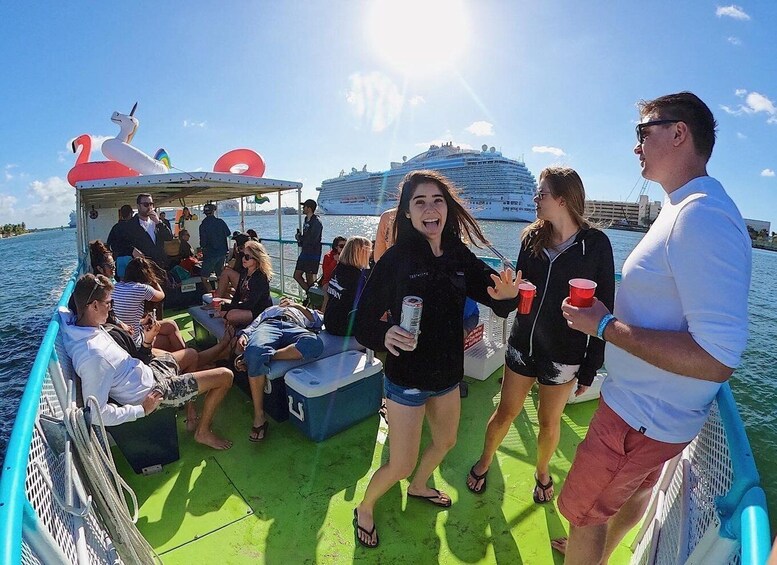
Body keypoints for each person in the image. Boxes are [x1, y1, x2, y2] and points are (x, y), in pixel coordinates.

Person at [553, 92, 751, 564]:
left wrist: (603, 325)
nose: (635, 146)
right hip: (657, 417)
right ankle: (598, 556)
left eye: (643, 133)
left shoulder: (700, 215)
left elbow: (718, 357)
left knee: (584, 514)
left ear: (678, 132)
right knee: (632, 495)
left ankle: (588, 552)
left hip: (638, 417)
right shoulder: (687, 207)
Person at [352, 170, 520, 548]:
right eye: (420, 202)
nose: (430, 209)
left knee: (446, 442)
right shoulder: (396, 259)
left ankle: (420, 486)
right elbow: (362, 322)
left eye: (437, 200)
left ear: (447, 208)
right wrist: (384, 334)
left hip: (446, 375)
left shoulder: (459, 254)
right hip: (406, 378)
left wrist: (509, 294)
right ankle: (365, 506)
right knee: (399, 463)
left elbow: (497, 296)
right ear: (408, 214)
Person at [466, 167, 615, 505]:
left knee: (549, 424)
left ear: (562, 198)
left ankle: (542, 471)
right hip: (522, 346)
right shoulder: (531, 238)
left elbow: (605, 307)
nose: (536, 198)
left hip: (564, 355)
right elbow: (519, 297)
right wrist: (504, 300)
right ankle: (485, 460)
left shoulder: (595, 246)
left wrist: (591, 367)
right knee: (505, 412)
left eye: (542, 193)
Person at [59, 274, 234, 449]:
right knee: (225, 376)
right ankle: (202, 432)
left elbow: (64, 313)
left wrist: (148, 339)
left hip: (149, 372)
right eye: (108, 303)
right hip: (155, 391)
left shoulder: (81, 327)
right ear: (94, 305)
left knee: (190, 354)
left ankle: (190, 410)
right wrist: (142, 410)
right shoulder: (94, 355)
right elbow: (97, 413)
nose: (111, 308)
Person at [234, 298, 324, 441]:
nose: (286, 300)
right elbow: (254, 325)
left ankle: (260, 356)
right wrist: (244, 335)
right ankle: (259, 416)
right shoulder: (270, 310)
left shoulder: (303, 311)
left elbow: (318, 320)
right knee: (255, 349)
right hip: (269, 325)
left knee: (315, 344)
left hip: (294, 327)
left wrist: (296, 306)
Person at [113, 257, 187, 352]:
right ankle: (188, 356)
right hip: (135, 342)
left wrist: (141, 321)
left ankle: (185, 354)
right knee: (170, 337)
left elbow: (123, 317)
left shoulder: (115, 287)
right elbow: (161, 295)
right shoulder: (142, 288)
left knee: (170, 325)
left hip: (124, 337)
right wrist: (153, 281)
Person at [216, 240, 273, 328]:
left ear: (256, 259)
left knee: (231, 315)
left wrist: (227, 307)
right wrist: (227, 306)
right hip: (248, 308)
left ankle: (235, 322)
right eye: (243, 255)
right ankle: (235, 322)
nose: (243, 259)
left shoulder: (260, 277)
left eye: (247, 257)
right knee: (222, 307)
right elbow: (238, 294)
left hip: (259, 311)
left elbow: (250, 304)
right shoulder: (245, 272)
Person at [323, 236, 371, 336]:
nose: (370, 254)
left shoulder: (339, 268)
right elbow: (366, 304)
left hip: (329, 320)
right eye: (369, 251)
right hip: (342, 327)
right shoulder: (356, 276)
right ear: (361, 253)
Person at [128, 194, 173, 269]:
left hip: (160, 265)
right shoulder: (131, 225)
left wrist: (159, 223)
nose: (149, 207)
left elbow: (169, 237)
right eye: (146, 204)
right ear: (138, 206)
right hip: (143, 267)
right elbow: (119, 243)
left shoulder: (156, 223)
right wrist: (131, 250)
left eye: (151, 204)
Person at [199, 203, 232, 294]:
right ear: (213, 211)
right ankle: (223, 295)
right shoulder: (220, 222)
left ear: (205, 213)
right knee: (220, 276)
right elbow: (228, 233)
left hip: (210, 254)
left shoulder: (203, 225)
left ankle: (212, 296)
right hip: (222, 253)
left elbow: (203, 242)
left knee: (204, 278)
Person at [293, 199, 323, 293]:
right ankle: (310, 295)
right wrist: (299, 237)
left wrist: (301, 239)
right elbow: (306, 238)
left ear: (309, 208)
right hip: (305, 252)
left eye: (304, 206)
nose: (303, 208)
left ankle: (313, 299)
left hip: (312, 254)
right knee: (296, 275)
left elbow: (313, 239)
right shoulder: (306, 219)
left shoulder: (317, 222)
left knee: (310, 278)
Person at [106, 204, 135, 279]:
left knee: (122, 280)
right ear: (131, 213)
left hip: (119, 258)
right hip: (132, 257)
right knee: (133, 279)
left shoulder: (116, 227)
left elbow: (109, 244)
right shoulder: (134, 227)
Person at [319, 236, 346, 311]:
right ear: (335, 247)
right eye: (341, 246)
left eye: (345, 246)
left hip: (341, 281)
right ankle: (322, 315)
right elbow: (326, 274)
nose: (343, 248)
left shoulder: (346, 256)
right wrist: (335, 261)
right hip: (328, 281)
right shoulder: (328, 256)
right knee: (328, 295)